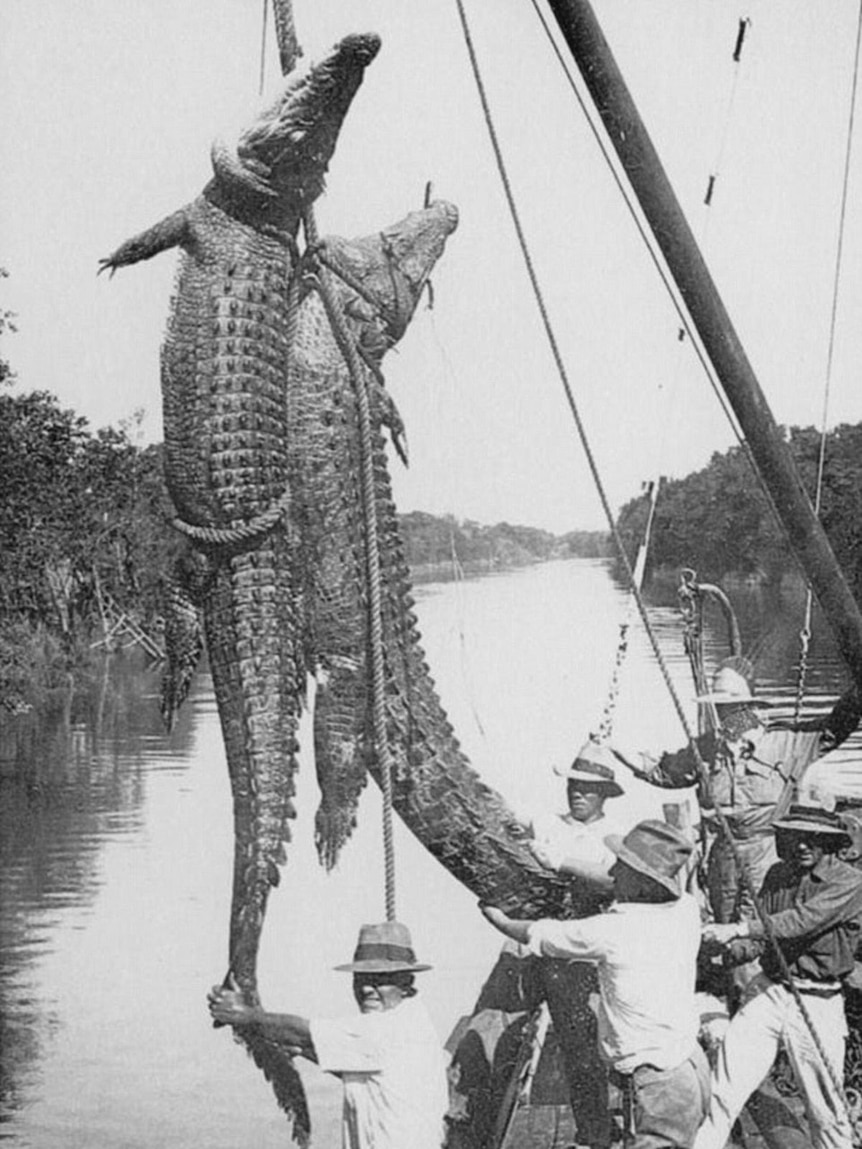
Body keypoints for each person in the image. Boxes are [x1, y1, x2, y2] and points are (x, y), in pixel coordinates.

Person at [481, 819, 710, 1149]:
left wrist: (498, 919)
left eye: (621, 866)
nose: (613, 873)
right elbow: (612, 881)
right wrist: (558, 862)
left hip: (659, 1081)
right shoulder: (685, 909)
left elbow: (541, 934)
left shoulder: (614, 931)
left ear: (642, 882)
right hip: (687, 1065)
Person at [621, 659, 861, 926]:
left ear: (750, 705)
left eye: (732, 706)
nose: (724, 713)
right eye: (719, 706)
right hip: (722, 853)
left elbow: (838, 726)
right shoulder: (706, 747)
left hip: (769, 851)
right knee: (723, 923)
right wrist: (615, 750)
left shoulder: (787, 741)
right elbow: (666, 774)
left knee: (758, 924)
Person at [694, 805, 862, 1149]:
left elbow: (801, 922)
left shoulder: (850, 882)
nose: (802, 845)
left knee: (827, 1111)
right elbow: (760, 942)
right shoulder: (776, 875)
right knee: (724, 1089)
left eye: (812, 838)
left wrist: (736, 928)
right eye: (795, 837)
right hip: (769, 992)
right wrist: (717, 952)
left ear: (830, 843)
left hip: (818, 1000)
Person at [207, 921, 450, 1149]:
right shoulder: (412, 1022)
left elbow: (302, 1032)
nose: (366, 989)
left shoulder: (389, 1028)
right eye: (361, 979)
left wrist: (243, 1014)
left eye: (379, 980)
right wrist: (303, 1050)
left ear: (406, 983)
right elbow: (369, 1070)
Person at [526, 740, 628, 1148]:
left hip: (591, 944)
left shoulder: (613, 837)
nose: (577, 793)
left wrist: (561, 862)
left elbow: (613, 880)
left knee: (593, 1042)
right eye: (573, 785)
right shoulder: (547, 824)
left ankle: (599, 1130)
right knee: (572, 1042)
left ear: (604, 795)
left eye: (587, 788)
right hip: (549, 937)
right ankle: (594, 1129)